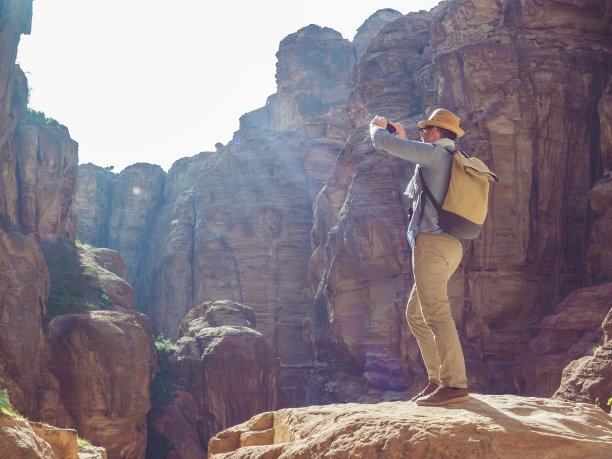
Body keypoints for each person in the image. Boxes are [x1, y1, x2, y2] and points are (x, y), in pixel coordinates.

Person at [369, 108, 469, 406]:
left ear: (436, 132)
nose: (422, 134)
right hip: (450, 245)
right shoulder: (450, 158)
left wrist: (375, 128)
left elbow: (384, 144)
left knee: (436, 313)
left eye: (425, 130)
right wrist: (403, 138)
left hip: (433, 244)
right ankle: (438, 380)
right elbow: (413, 158)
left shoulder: (436, 155)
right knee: (416, 315)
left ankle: (454, 385)